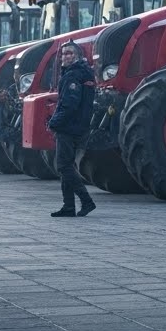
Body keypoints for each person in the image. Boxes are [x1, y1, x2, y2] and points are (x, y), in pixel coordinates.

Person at [48, 43, 96, 217]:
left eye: (69, 53)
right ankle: (68, 206)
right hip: (81, 127)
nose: (65, 57)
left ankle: (86, 201)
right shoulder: (86, 73)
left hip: (69, 127)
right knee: (67, 164)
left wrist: (54, 122)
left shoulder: (72, 76)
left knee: (63, 166)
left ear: (76, 56)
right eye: (63, 54)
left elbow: (69, 105)